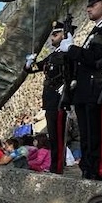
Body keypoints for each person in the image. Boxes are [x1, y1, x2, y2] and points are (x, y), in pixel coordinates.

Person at [59, 0, 102, 180]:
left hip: (98, 88)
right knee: (87, 134)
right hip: (85, 90)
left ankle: (98, 169)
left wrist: (73, 50)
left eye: (93, 4)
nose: (88, 8)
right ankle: (88, 167)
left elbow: (97, 59)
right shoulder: (96, 30)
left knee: (97, 134)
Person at [25, 22, 70, 173]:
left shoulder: (67, 52)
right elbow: (34, 68)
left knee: (58, 135)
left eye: (56, 34)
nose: (52, 37)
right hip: (50, 100)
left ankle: (57, 166)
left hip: (59, 98)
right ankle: (55, 165)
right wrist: (29, 63)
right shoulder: (53, 55)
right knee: (53, 134)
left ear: (64, 35)